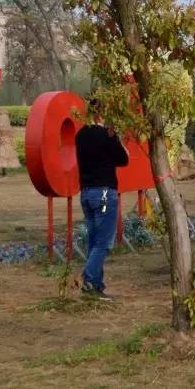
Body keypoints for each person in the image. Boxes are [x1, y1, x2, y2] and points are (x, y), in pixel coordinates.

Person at [75, 100, 129, 301]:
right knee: (104, 241)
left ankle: (95, 286)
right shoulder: (107, 134)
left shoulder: (80, 135)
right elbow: (124, 159)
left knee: (94, 240)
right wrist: (116, 138)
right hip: (105, 194)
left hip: (86, 194)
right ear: (102, 114)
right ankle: (89, 279)